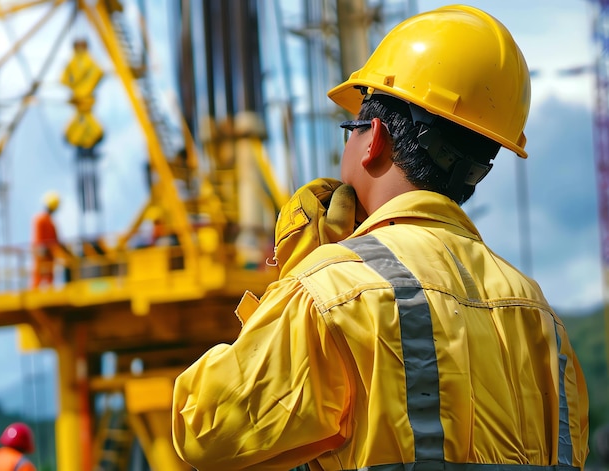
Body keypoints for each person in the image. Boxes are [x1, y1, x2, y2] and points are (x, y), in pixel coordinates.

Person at [172, 5, 589, 471]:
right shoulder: (541, 319)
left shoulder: (329, 292)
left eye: (349, 131)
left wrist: (296, 276)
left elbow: (205, 430)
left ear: (372, 139)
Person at [31, 190, 63, 288]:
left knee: (43, 277)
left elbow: (54, 241)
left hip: (45, 255)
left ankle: (39, 289)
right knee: (42, 276)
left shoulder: (44, 221)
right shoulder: (46, 222)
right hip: (44, 254)